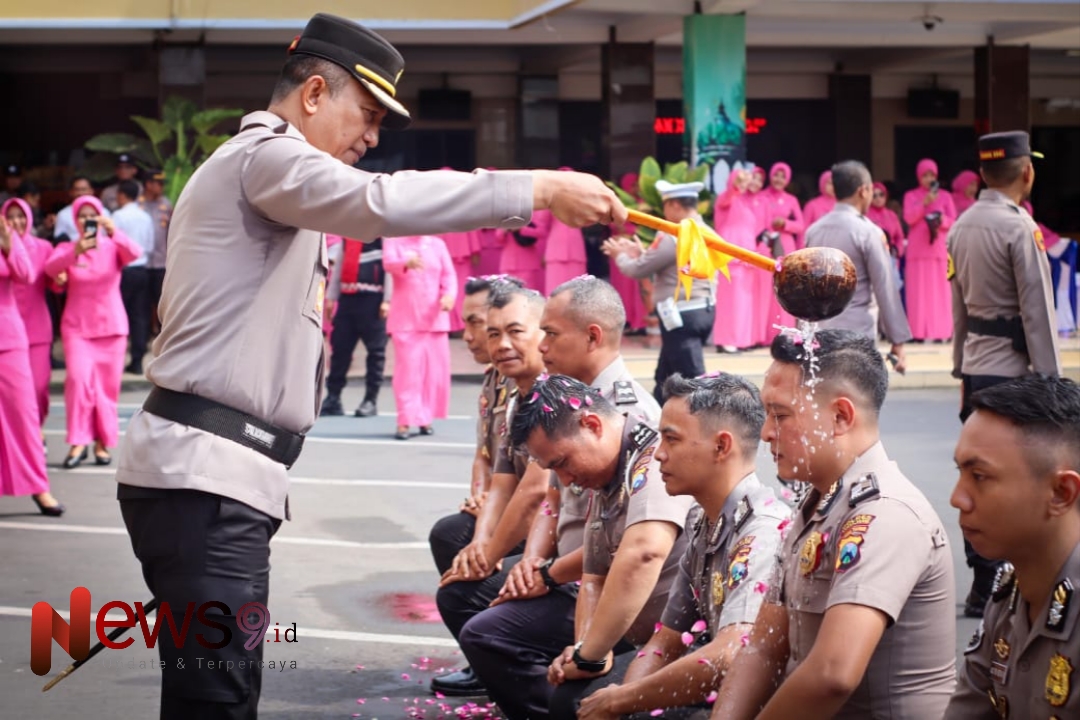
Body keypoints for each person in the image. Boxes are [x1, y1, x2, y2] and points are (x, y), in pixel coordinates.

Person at [115, 13, 625, 720]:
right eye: (368, 112)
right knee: (216, 696)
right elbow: (376, 203)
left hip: (215, 476)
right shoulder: (266, 156)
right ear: (315, 93)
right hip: (203, 479)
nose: (373, 136)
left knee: (216, 688)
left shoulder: (267, 175)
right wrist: (536, 186)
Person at [432, 277, 661, 698]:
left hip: (606, 584)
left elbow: (628, 548)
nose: (541, 346)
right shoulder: (565, 399)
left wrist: (545, 573)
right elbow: (554, 495)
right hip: (574, 571)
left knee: (492, 636)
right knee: (462, 589)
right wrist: (531, 561)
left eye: (549, 334)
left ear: (592, 336)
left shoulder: (628, 414)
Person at [711, 329, 956, 720]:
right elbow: (763, 646)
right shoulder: (818, 502)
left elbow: (831, 676)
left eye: (781, 414)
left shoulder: (883, 513)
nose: (766, 433)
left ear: (840, 416)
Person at [459, 375, 692, 720]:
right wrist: (586, 647)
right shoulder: (607, 469)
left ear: (592, 424)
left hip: (681, 640)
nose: (565, 480)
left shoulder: (649, 460)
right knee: (487, 631)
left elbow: (644, 553)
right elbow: (593, 575)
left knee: (575, 700)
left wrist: (591, 654)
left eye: (562, 463)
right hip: (636, 629)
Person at [561, 373, 789, 720]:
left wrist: (623, 702)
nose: (658, 456)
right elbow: (665, 640)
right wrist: (622, 704)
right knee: (579, 699)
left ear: (721, 446)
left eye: (671, 440)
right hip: (718, 686)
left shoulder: (762, 532)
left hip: (751, 704)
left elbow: (729, 657)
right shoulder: (702, 522)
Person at [948, 130, 1062, 617]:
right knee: (1017, 479)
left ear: (982, 174)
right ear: (1027, 172)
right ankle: (1012, 577)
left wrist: (960, 369)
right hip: (1015, 373)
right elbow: (1037, 311)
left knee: (976, 476)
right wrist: (1052, 381)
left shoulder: (962, 225)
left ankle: (981, 580)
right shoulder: (1020, 228)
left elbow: (957, 309)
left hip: (977, 368)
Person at [430, 285, 549, 697]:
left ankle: (513, 664)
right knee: (453, 535)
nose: (492, 341)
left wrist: (490, 554)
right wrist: (482, 538)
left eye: (510, 331)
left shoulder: (557, 393)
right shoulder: (509, 388)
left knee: (464, 587)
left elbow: (537, 491)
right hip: (537, 525)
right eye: (491, 331)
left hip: (561, 540)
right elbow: (491, 461)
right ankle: (490, 661)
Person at [945, 374, 1080, 719]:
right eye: (960, 472)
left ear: (1061, 493)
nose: (957, 499)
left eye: (979, 477)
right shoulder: (1010, 594)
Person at [46, 195, 142, 469]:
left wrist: (114, 231)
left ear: (100, 217)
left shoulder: (113, 246)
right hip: (77, 328)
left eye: (92, 215)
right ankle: (78, 441)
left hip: (111, 329)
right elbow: (50, 269)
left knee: (106, 391)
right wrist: (74, 251)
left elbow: (135, 252)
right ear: (74, 220)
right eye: (81, 215)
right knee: (77, 383)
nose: (86, 220)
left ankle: (102, 443)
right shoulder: (68, 248)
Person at [603, 181, 715, 402]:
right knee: (665, 376)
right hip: (704, 309)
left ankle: (703, 424)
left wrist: (620, 255)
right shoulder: (706, 231)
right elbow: (672, 263)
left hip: (680, 314)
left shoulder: (674, 235)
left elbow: (638, 269)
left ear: (674, 205)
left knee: (691, 379)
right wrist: (642, 252)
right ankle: (660, 418)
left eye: (665, 206)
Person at [805, 161, 911, 374]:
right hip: (857, 333)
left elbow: (804, 288)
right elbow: (885, 287)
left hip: (820, 335)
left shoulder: (813, 231)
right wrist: (897, 341)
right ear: (863, 191)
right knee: (858, 402)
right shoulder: (868, 232)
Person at [0, 213, 64, 516]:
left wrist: (8, 243)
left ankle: (40, 488)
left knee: (24, 416)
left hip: (9, 339)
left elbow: (26, 275)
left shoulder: (10, 238)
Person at [383, 234, 455, 439]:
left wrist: (448, 295)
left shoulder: (437, 244)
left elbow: (448, 276)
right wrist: (405, 262)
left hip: (435, 319)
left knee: (433, 374)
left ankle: (425, 418)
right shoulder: (394, 241)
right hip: (406, 319)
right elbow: (388, 264)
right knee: (408, 373)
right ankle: (404, 420)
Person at [319, 234, 391, 417]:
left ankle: (370, 399)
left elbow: (389, 270)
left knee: (376, 352)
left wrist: (387, 300)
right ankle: (333, 397)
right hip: (348, 299)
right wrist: (331, 298)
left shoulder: (384, 239)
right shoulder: (349, 238)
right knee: (340, 349)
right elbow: (339, 270)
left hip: (373, 301)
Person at [3, 198, 53, 431]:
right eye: (11, 216)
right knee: (16, 394)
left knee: (39, 386)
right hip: (9, 332)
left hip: (36, 328)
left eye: (20, 215)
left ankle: (35, 427)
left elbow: (55, 283)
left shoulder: (43, 247)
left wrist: (60, 280)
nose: (16, 221)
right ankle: (29, 433)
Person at [903, 157, 957, 341]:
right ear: (918, 176)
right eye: (924, 175)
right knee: (918, 294)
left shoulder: (946, 196)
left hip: (938, 251)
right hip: (918, 252)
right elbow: (909, 218)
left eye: (931, 174)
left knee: (940, 293)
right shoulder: (911, 196)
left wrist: (942, 221)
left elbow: (953, 222)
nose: (928, 178)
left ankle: (941, 332)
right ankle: (917, 332)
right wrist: (924, 203)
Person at [712, 170, 761, 352]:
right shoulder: (725, 199)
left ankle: (740, 340)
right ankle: (726, 341)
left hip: (747, 258)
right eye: (739, 181)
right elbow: (730, 194)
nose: (742, 185)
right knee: (730, 301)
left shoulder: (746, 203)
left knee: (743, 302)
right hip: (731, 258)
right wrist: (736, 185)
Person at [112, 179, 155, 374]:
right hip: (142, 269)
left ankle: (116, 358)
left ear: (122, 195)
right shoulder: (145, 216)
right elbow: (150, 245)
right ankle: (137, 360)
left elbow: (113, 244)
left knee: (119, 314)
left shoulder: (118, 216)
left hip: (123, 270)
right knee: (139, 316)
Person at [139, 170, 172, 336]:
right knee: (142, 302)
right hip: (142, 262)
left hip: (161, 260)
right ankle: (143, 335)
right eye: (157, 183)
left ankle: (162, 334)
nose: (161, 187)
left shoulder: (166, 204)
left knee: (161, 300)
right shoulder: (138, 204)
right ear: (148, 185)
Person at [437, 228, 480, 333]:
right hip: (458, 248)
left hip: (457, 250)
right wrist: (474, 249)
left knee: (453, 289)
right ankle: (455, 325)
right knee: (454, 289)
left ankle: (459, 324)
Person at [53, 176, 110, 243]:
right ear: (71, 192)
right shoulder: (63, 214)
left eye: (83, 189)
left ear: (91, 191)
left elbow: (109, 234)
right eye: (77, 190)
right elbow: (59, 240)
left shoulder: (104, 212)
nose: (80, 193)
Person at [867, 182, 905, 259]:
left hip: (891, 257)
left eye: (881, 194)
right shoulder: (865, 214)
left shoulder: (892, 215)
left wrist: (897, 250)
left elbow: (899, 237)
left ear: (886, 195)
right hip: (873, 256)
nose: (878, 198)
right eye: (874, 196)